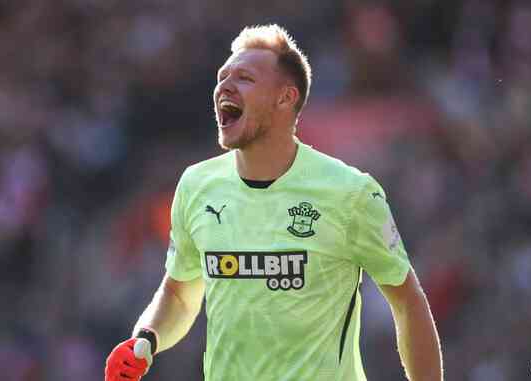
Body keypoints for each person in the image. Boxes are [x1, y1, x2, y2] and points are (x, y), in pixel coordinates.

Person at [105, 24, 443, 381]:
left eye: (245, 78)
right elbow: (179, 292)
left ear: (285, 97)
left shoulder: (351, 193)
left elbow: (407, 303)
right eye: (223, 77)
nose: (225, 86)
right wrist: (145, 338)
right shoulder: (196, 186)